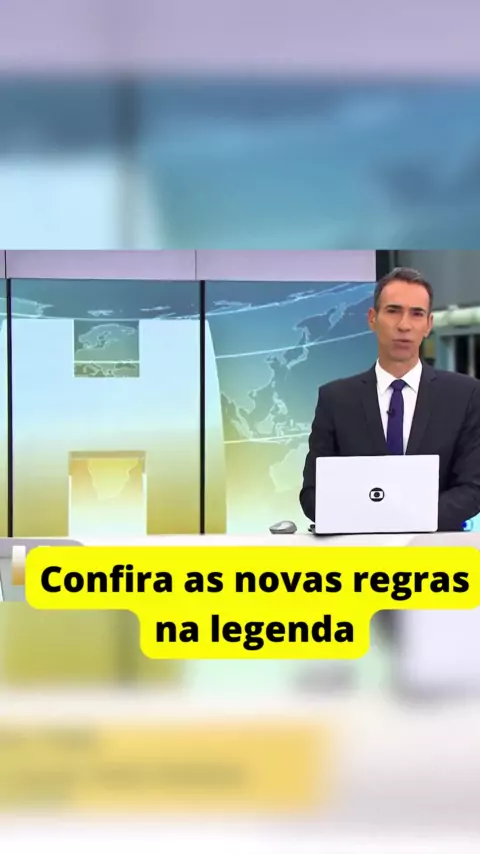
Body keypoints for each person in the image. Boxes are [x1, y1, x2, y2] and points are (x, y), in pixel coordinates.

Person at [300, 267, 480, 532]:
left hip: (437, 549)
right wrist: (376, 518)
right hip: (359, 550)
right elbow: (312, 495)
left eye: (416, 313)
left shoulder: (465, 394)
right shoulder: (336, 399)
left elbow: (473, 489)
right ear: (372, 319)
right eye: (393, 311)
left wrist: (401, 518)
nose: (404, 325)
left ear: (428, 324)